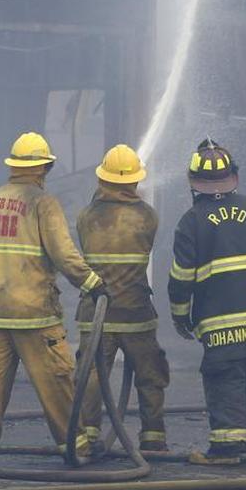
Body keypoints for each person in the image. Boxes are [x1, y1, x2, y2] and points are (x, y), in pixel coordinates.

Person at [0, 131, 103, 466]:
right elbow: (63, 254)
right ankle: (77, 447)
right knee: (56, 379)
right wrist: (93, 283)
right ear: (44, 168)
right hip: (32, 312)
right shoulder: (43, 202)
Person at [168, 138, 246, 465]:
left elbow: (181, 279)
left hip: (222, 324)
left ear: (194, 183)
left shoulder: (191, 222)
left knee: (225, 381)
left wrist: (181, 317)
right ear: (233, 176)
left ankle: (225, 450)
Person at [72, 144, 169, 457]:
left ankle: (88, 436)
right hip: (136, 312)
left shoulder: (86, 216)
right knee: (149, 374)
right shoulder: (148, 217)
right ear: (134, 181)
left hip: (94, 312)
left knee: (91, 376)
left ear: (103, 179)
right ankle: (153, 436)